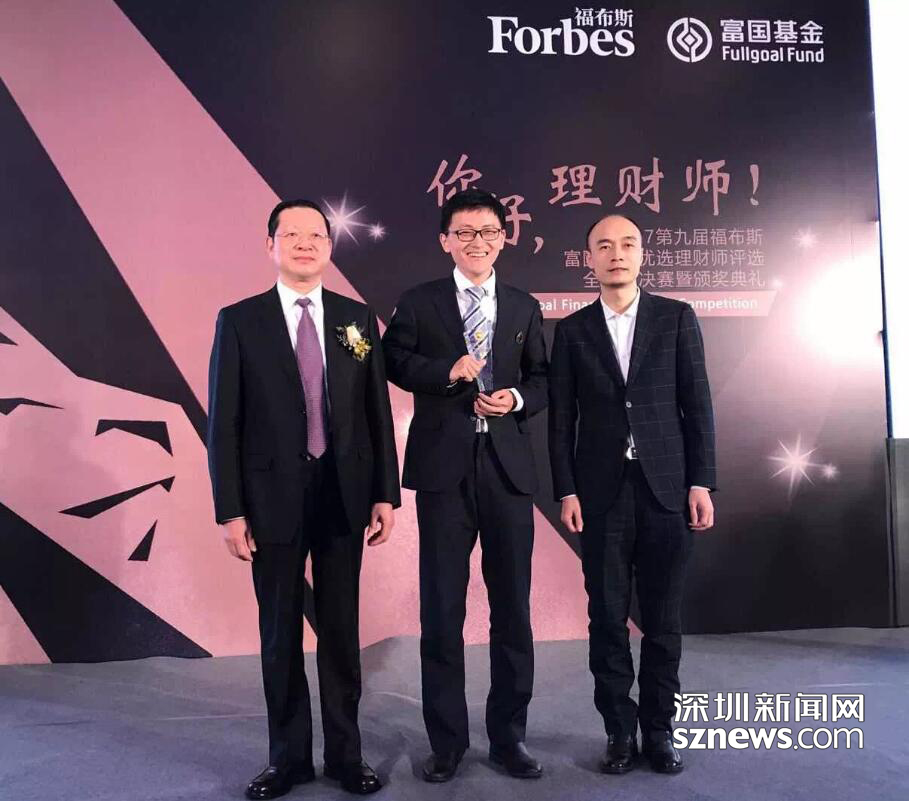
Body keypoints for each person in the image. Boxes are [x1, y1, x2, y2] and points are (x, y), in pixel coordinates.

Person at [207, 199, 400, 799]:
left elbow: (376, 411)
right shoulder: (240, 320)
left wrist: (385, 494)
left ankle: (346, 757)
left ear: (329, 246)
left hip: (345, 493)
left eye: (316, 234)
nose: (304, 243)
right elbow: (224, 423)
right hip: (271, 498)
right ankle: (287, 759)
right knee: (279, 633)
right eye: (290, 234)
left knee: (341, 631)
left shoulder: (355, 318)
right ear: (270, 245)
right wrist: (231, 509)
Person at [382, 188, 548, 782]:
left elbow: (543, 379)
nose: (478, 242)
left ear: (504, 237)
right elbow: (392, 362)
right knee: (442, 609)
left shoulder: (524, 305)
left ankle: (509, 738)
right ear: (445, 240)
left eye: (488, 232)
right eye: (465, 232)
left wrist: (517, 399)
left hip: (507, 470)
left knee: (513, 610)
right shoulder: (419, 302)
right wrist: (445, 372)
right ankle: (447, 743)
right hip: (443, 469)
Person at [548, 213, 716, 776]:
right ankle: (619, 730)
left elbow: (698, 405)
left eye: (627, 244)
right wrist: (566, 490)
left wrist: (701, 480)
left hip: (667, 490)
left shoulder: (675, 317)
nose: (616, 254)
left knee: (663, 620)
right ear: (589, 259)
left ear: (642, 255)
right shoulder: (572, 331)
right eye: (604, 246)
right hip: (600, 495)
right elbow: (561, 421)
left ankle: (660, 729)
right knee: (606, 618)